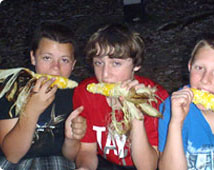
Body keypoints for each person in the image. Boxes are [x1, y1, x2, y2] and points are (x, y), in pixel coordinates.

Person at [73, 23, 169, 170]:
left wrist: (136, 117)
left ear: (136, 64)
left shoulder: (157, 98)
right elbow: (87, 151)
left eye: (116, 63)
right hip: (104, 163)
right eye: (98, 63)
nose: (105, 74)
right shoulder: (85, 92)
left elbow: (148, 166)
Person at [0, 21, 86, 170]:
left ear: (73, 64)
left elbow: (71, 156)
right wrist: (31, 111)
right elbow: (12, 155)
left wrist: (72, 140)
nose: (55, 69)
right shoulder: (14, 87)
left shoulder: (79, 93)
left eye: (64, 60)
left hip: (58, 160)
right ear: (33, 57)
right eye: (47, 58)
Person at [158, 33, 214, 170]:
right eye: (199, 68)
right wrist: (176, 122)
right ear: (189, 67)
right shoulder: (172, 107)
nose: (205, 79)